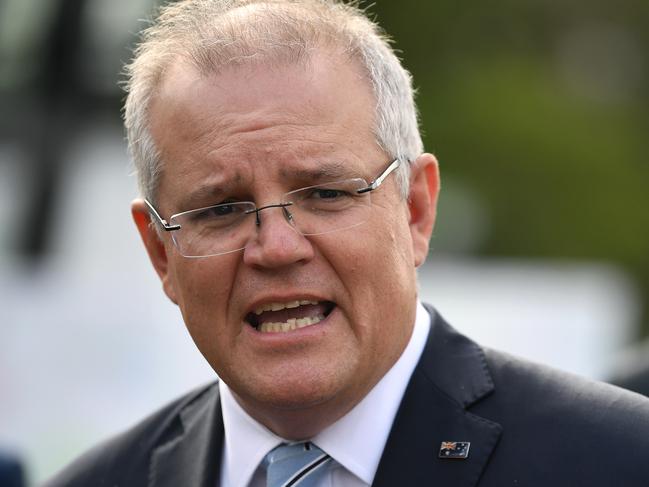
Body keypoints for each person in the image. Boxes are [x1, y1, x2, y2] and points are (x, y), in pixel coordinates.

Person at [45, 1, 649, 485]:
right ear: (160, 254)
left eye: (325, 194)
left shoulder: (619, 460)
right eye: (223, 209)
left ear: (415, 209)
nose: (277, 248)